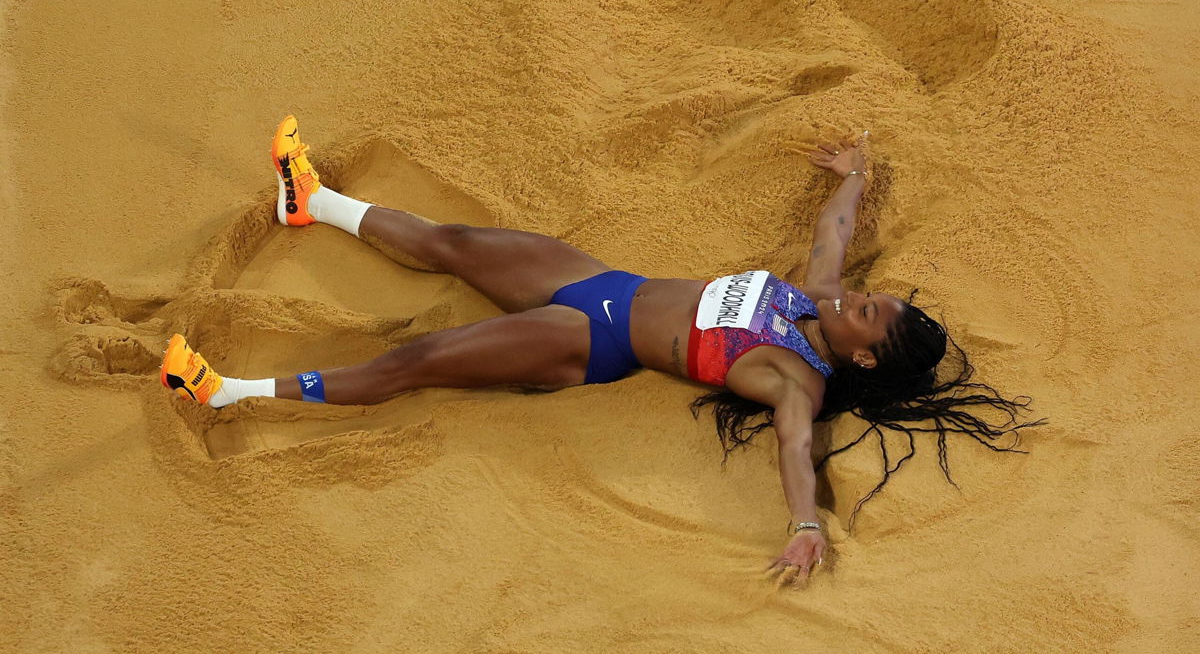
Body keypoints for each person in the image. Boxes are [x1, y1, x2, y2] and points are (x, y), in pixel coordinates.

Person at [161, 116, 1044, 588]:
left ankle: (227, 392)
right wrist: (855, 169)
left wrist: (807, 527)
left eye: (870, 315)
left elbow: (791, 451)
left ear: (860, 359)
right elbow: (836, 229)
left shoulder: (793, 381)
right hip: (600, 281)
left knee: (422, 358)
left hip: (593, 340)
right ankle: (310, 201)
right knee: (457, 241)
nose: (859, 298)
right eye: (875, 296)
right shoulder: (811, 298)